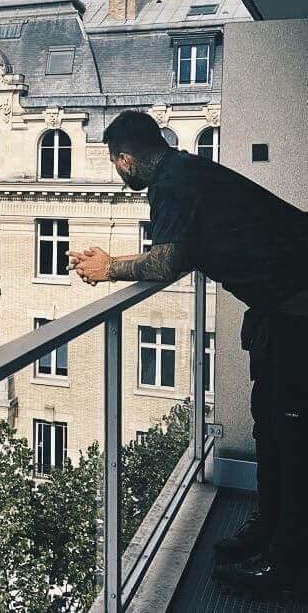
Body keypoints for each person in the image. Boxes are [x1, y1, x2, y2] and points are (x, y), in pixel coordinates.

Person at [69, 110, 308, 601]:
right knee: (270, 424)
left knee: (293, 437)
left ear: (128, 159)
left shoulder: (170, 184)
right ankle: (266, 533)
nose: (118, 172)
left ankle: (287, 564)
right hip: (281, 309)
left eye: (116, 163)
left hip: (298, 309)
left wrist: (109, 267)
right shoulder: (185, 169)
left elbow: (168, 260)